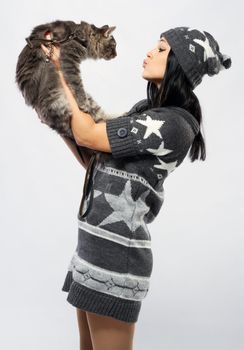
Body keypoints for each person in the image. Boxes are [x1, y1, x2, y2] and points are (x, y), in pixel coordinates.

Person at [40, 26, 231, 350]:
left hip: (116, 259)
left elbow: (87, 133)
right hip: (92, 249)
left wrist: (59, 73)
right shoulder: (146, 114)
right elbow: (93, 158)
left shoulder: (172, 125)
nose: (149, 52)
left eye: (161, 49)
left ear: (179, 65)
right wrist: (56, 121)